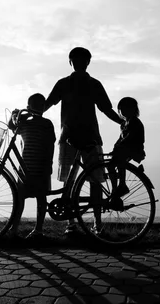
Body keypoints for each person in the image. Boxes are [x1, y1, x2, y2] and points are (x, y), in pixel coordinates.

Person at [44, 47, 123, 234]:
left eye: (82, 60)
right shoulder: (72, 84)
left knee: (86, 181)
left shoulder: (86, 84)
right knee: (79, 181)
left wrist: (123, 122)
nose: (79, 63)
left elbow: (106, 109)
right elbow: (47, 104)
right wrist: (122, 121)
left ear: (87, 62)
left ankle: (86, 224)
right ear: (71, 62)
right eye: (77, 60)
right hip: (76, 138)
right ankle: (82, 223)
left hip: (82, 138)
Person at [8, 93, 56, 240]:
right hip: (40, 166)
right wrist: (49, 163)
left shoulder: (25, 123)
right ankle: (38, 229)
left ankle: (15, 229)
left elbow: (11, 125)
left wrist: (16, 114)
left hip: (27, 166)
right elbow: (51, 144)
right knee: (40, 200)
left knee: (21, 199)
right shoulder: (46, 123)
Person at [110, 97, 146, 201]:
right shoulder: (124, 123)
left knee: (120, 161)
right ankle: (115, 188)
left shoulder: (134, 122)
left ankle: (122, 185)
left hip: (134, 149)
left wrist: (119, 147)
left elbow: (129, 138)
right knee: (111, 165)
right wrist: (115, 147)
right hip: (125, 149)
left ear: (133, 109)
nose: (123, 110)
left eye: (126, 108)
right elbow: (120, 138)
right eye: (121, 108)